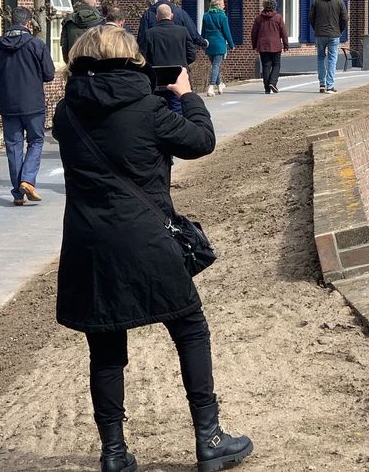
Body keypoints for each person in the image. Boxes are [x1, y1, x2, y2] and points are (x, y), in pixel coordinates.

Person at [51, 25, 253, 472]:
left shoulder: (66, 114)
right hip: (147, 239)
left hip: (90, 247)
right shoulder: (148, 109)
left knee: (105, 350)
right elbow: (201, 141)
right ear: (133, 60)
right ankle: (210, 438)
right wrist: (185, 93)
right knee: (190, 329)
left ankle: (114, 454)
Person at [0, 6, 56, 206]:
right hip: (33, 102)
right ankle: (27, 180)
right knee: (36, 141)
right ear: (28, 23)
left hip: (8, 103)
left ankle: (18, 193)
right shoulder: (36, 44)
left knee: (14, 146)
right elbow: (49, 74)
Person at [142, 4, 195, 113]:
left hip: (157, 80)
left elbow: (143, 57)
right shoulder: (182, 31)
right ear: (171, 15)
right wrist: (183, 63)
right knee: (178, 111)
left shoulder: (149, 34)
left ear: (157, 17)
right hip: (178, 77)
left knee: (160, 112)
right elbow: (192, 55)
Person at [137, 0, 206, 53]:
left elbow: (142, 38)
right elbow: (193, 34)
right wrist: (203, 42)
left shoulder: (147, 15)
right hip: (178, 57)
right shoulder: (180, 13)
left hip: (154, 59)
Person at [308, 0, 347, 94]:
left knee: (320, 57)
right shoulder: (339, 1)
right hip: (334, 34)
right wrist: (340, 30)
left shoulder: (316, 1)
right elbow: (344, 18)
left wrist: (316, 28)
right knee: (332, 59)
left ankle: (322, 84)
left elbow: (311, 17)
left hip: (320, 34)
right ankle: (330, 86)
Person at [250, 0, 288, 94]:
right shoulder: (278, 17)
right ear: (274, 6)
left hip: (262, 45)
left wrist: (254, 45)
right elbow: (283, 32)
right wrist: (285, 44)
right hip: (275, 45)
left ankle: (267, 88)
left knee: (266, 66)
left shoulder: (259, 18)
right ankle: (272, 82)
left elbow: (254, 33)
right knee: (276, 64)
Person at [200, 0, 234, 97]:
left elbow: (203, 31)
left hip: (209, 44)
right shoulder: (222, 16)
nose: (224, 5)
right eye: (223, 3)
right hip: (219, 44)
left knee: (215, 65)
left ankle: (220, 84)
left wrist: (202, 43)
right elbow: (227, 32)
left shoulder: (206, 16)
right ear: (218, 5)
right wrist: (231, 44)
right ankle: (211, 86)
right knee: (216, 65)